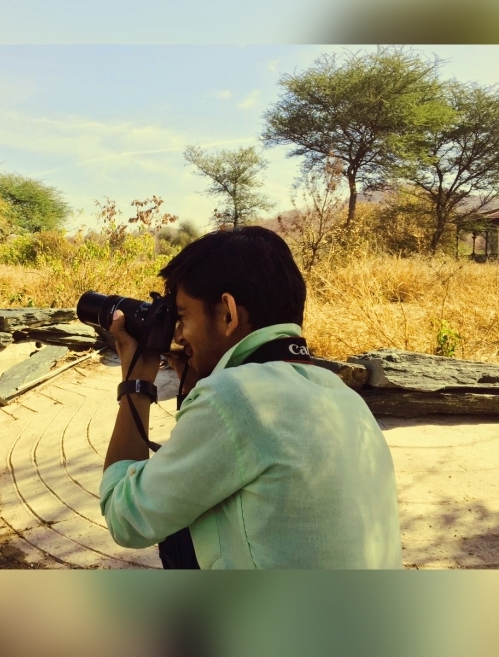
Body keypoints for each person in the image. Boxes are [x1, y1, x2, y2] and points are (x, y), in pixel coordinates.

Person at [99, 226, 402, 569]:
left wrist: (137, 383)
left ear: (228, 313)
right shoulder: (341, 394)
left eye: (182, 316)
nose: (178, 336)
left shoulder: (233, 398)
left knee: (175, 524)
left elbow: (125, 519)